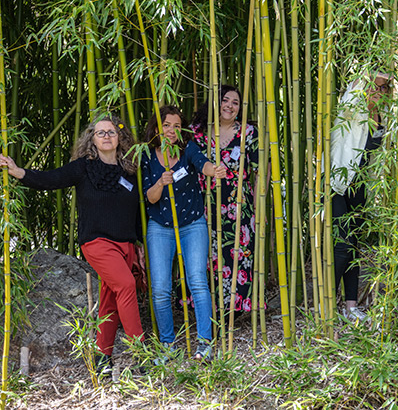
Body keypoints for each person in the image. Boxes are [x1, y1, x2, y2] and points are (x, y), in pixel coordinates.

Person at [0, 115, 144, 374]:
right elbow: (51, 179)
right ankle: (141, 353)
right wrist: (19, 172)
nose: (107, 136)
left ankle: (102, 358)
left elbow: (134, 212)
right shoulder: (83, 168)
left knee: (110, 299)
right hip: (98, 242)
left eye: (111, 132)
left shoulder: (130, 171)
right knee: (126, 285)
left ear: (120, 137)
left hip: (126, 245)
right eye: (100, 133)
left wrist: (139, 246)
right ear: (92, 139)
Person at [141, 105, 226, 361]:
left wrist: (215, 170)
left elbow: (203, 165)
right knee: (160, 288)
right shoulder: (146, 155)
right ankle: (167, 345)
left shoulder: (187, 148)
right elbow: (150, 197)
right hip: (160, 227)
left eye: (177, 126)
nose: (171, 131)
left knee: (198, 282)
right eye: (167, 125)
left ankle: (204, 343)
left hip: (192, 223)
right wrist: (160, 182)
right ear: (157, 128)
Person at [190, 85, 259, 316]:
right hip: (203, 204)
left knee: (237, 255)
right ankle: (206, 310)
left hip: (238, 205)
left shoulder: (249, 132)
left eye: (235, 102)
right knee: (206, 256)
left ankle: (233, 310)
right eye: (225, 100)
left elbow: (260, 171)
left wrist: (259, 209)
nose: (230, 105)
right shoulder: (196, 132)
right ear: (216, 102)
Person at [330, 71, 393, 321]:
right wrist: (370, 72)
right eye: (372, 87)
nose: (376, 93)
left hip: (361, 188)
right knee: (342, 246)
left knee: (354, 246)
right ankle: (325, 308)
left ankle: (350, 306)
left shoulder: (385, 119)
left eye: (383, 89)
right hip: (337, 183)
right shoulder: (351, 112)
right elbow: (349, 97)